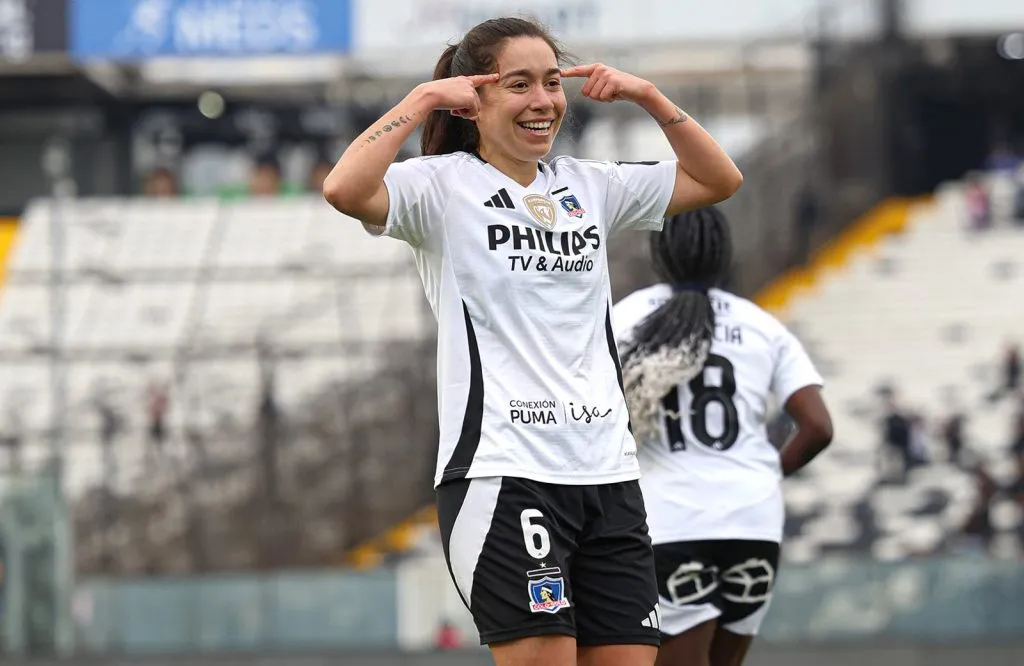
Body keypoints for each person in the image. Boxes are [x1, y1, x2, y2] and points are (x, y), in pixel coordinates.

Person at [322, 16, 742, 666]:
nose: (543, 100)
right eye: (518, 84)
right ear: (475, 98)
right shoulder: (440, 187)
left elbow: (719, 181)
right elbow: (344, 188)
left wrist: (649, 97)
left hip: (607, 474)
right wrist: (423, 99)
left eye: (552, 82)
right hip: (505, 475)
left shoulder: (588, 185)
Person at [612, 206, 832, 666]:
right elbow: (818, 427)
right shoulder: (762, 324)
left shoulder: (628, 317)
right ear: (722, 253)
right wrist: (769, 473)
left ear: (661, 250)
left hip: (672, 520)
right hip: (754, 521)